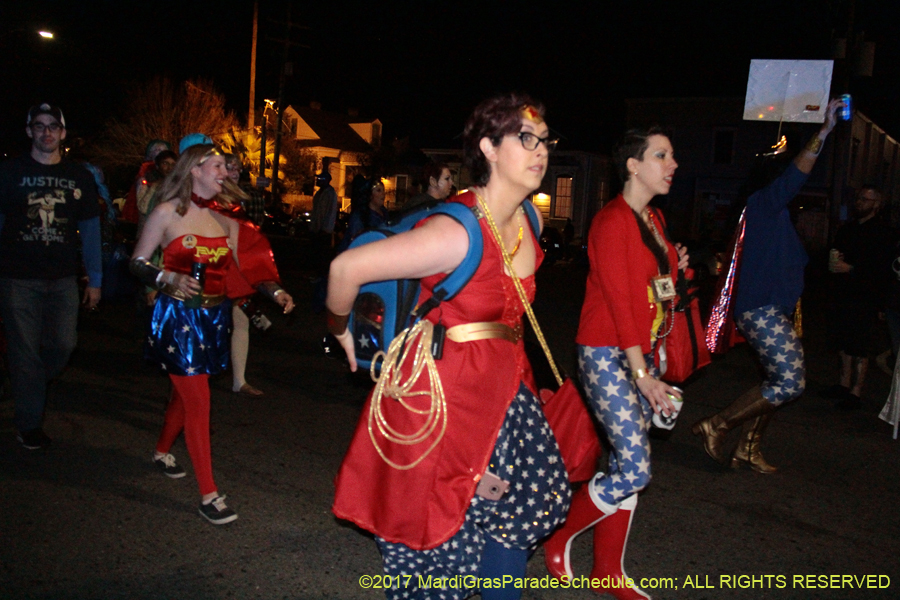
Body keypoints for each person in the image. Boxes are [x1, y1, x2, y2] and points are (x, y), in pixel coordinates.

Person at [328, 93, 570, 600]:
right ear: (488, 147)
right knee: (442, 534)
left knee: (524, 501)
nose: (541, 150)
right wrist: (339, 328)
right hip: (445, 394)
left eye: (545, 140)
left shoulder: (530, 220)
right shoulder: (453, 232)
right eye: (526, 139)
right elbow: (345, 269)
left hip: (506, 387)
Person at [543, 128, 685, 600]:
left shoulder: (653, 219)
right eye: (661, 155)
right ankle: (560, 536)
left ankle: (608, 571)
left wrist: (674, 266)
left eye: (672, 156)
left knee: (627, 460)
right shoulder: (611, 222)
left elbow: (654, 289)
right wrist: (642, 375)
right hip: (607, 352)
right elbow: (623, 304)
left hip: (638, 352)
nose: (672, 164)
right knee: (636, 469)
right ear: (632, 164)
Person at [130, 140, 293, 525]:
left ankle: (161, 451)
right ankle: (209, 495)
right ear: (194, 170)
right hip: (177, 319)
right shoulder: (167, 212)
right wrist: (165, 276)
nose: (225, 173)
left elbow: (247, 266)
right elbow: (136, 261)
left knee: (185, 396)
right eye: (218, 165)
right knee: (199, 400)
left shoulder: (223, 219)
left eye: (225, 167)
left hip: (212, 319)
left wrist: (276, 292)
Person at [693, 98, 844, 473]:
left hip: (774, 308)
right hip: (761, 308)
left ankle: (748, 448)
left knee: (773, 381)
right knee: (790, 382)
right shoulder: (764, 203)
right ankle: (719, 424)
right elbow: (797, 175)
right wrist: (823, 132)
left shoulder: (768, 214)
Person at [0, 103, 102, 450]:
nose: (46, 132)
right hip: (17, 278)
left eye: (53, 127)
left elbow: (90, 231)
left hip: (62, 279)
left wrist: (96, 279)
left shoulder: (79, 177)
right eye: (39, 126)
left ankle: (26, 385)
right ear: (29, 131)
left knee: (63, 345)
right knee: (25, 353)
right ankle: (29, 424)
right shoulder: (10, 172)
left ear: (62, 133)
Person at [223, 153, 292, 397]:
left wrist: (274, 289)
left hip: (235, 270)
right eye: (226, 166)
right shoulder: (204, 200)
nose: (233, 171)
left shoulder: (244, 200)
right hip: (210, 272)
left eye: (236, 168)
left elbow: (252, 243)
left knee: (241, 321)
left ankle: (239, 380)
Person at [821, 186, 892, 410]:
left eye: (866, 199)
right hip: (843, 293)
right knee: (843, 341)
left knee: (860, 345)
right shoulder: (848, 229)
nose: (860, 202)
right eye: (859, 198)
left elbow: (881, 269)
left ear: (877, 204)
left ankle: (856, 391)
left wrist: (851, 269)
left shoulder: (883, 233)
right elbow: (834, 252)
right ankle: (843, 384)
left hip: (865, 297)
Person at [337, 177, 388, 252]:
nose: (383, 194)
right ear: (370, 195)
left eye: (383, 190)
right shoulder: (360, 215)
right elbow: (356, 242)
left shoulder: (384, 212)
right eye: (379, 190)